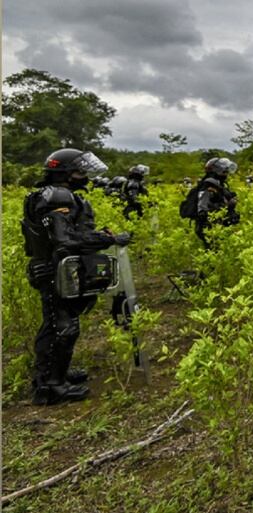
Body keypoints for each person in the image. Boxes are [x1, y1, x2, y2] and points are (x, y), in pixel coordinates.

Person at [21, 149, 132, 405]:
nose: (85, 175)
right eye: (80, 171)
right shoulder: (57, 196)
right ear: (65, 173)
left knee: (56, 323)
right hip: (54, 269)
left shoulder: (52, 194)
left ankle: (51, 374)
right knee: (64, 327)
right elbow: (65, 240)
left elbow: (68, 234)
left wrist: (98, 237)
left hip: (54, 267)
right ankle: (51, 387)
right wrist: (108, 239)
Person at [194, 158, 239, 249]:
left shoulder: (220, 185)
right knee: (214, 251)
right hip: (210, 229)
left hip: (220, 227)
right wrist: (226, 206)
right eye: (224, 172)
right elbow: (203, 210)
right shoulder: (208, 186)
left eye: (226, 172)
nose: (226, 174)